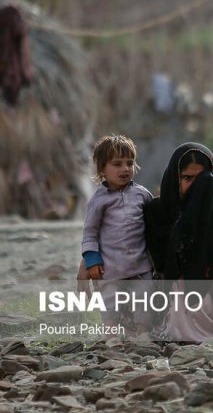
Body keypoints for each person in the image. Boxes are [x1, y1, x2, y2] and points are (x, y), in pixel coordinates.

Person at [145, 142, 213, 342]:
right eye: (187, 178)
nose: (197, 186)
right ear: (174, 178)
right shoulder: (158, 211)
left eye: (203, 179)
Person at [79, 135, 154, 337]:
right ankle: (110, 336)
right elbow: (90, 233)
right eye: (117, 164)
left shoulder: (142, 194)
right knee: (110, 302)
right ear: (102, 169)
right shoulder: (98, 200)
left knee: (144, 300)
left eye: (129, 163)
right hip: (110, 267)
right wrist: (91, 260)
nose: (125, 169)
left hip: (140, 265)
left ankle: (143, 334)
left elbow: (154, 225)